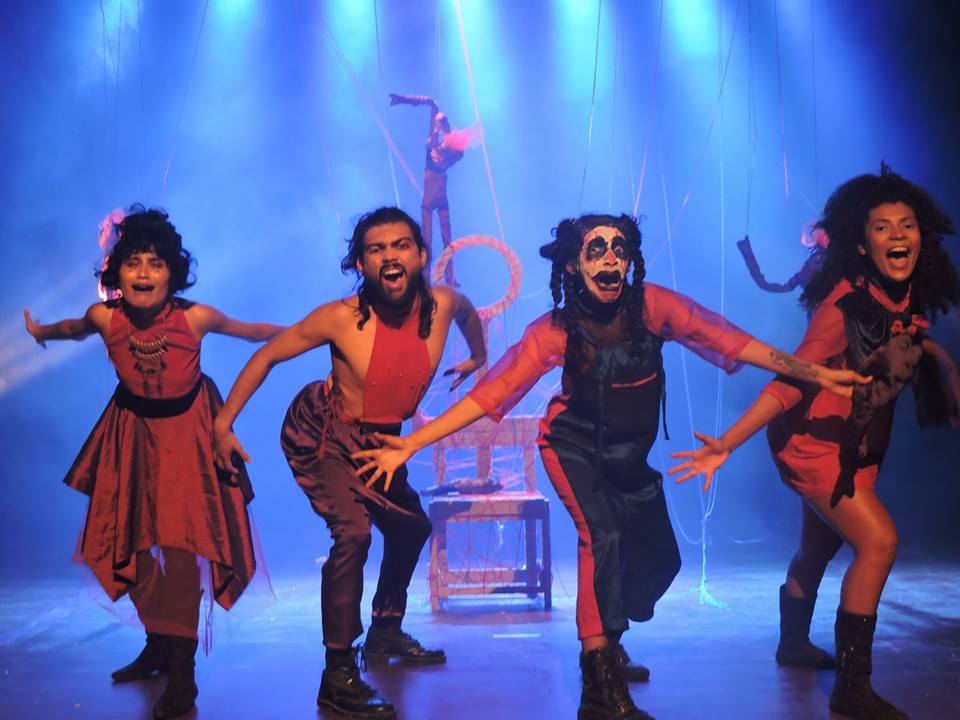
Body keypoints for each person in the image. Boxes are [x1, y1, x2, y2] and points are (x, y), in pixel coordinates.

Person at [350, 213, 869, 720]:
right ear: (573, 265)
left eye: (619, 250)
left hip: (629, 456)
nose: (609, 260)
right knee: (601, 540)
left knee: (660, 560)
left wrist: (813, 372)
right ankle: (599, 686)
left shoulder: (654, 307)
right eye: (596, 250)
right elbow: (490, 395)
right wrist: (410, 443)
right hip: (572, 449)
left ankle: (610, 636)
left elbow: (727, 339)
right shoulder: (555, 330)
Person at [671, 165, 960, 720]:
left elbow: (903, 340)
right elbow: (791, 379)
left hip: (856, 445)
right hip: (813, 444)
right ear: (861, 242)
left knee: (819, 547)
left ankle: (793, 644)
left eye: (906, 225)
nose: (898, 235)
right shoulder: (843, 306)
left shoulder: (906, 294)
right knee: (879, 543)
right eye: (882, 227)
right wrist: (727, 442)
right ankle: (852, 689)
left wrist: (940, 362)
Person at [213, 206, 486, 719]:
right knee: (354, 534)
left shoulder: (444, 304)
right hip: (324, 434)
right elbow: (268, 355)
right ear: (361, 264)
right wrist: (223, 423)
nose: (390, 256)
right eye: (376, 249)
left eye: (400, 245)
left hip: (384, 444)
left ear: (420, 255)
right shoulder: (340, 317)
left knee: (410, 527)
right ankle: (337, 673)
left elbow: (469, 314)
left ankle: (384, 631)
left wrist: (478, 355)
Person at [23, 205, 282, 720]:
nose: (143, 272)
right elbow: (74, 327)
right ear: (116, 273)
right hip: (132, 436)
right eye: (133, 262)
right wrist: (41, 332)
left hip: (190, 437)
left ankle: (183, 678)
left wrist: (311, 330)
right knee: (133, 549)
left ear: (172, 273)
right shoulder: (105, 318)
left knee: (183, 554)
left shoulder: (195, 317)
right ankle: (158, 643)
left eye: (155, 263)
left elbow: (250, 329)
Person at [389, 93, 479, 286]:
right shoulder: (435, 143)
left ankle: (450, 277)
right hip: (430, 203)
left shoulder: (449, 154)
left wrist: (442, 132)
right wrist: (403, 99)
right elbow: (431, 103)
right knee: (427, 242)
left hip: (439, 199)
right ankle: (425, 280)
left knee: (447, 241)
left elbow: (445, 152)